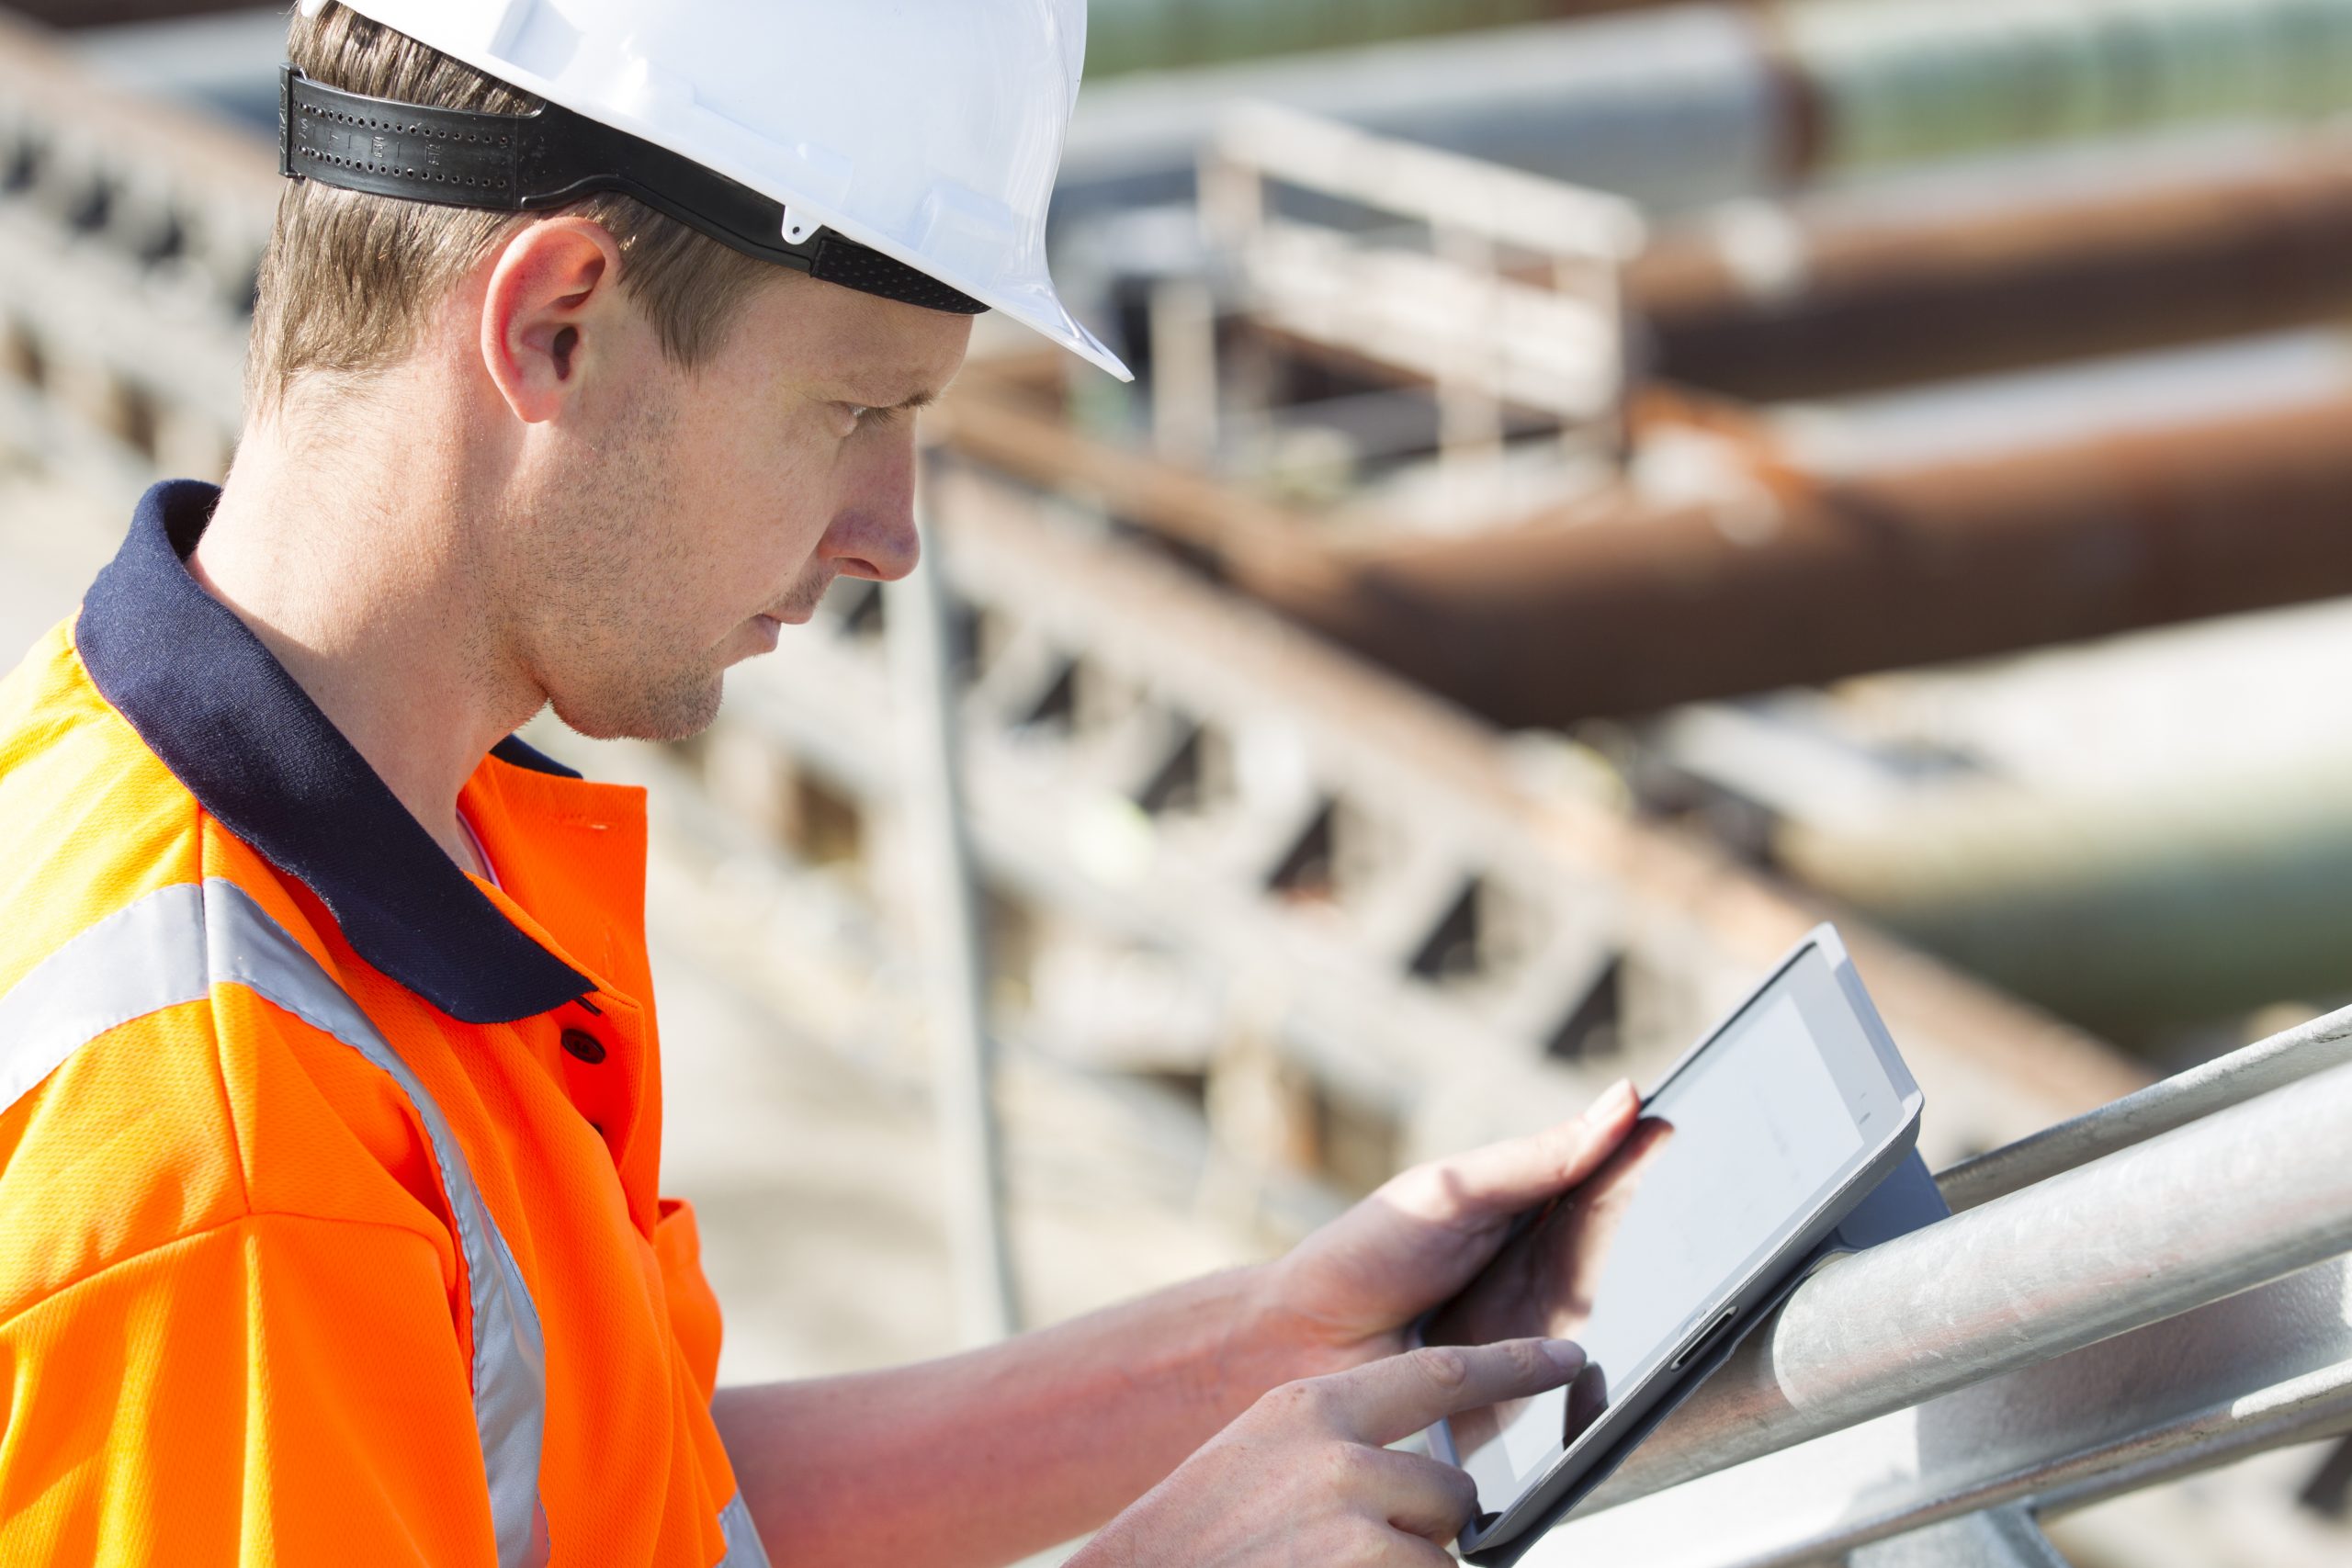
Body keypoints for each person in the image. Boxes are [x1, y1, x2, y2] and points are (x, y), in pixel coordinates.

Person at [0, 3, 1641, 1563]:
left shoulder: (334, 813)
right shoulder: (230, 1165)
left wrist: (1262, 1344)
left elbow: (614, 1498)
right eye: (854, 406)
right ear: (555, 322)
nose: (891, 531)